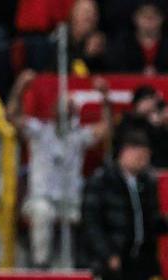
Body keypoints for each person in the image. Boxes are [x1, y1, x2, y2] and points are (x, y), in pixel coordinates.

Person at [6, 69, 110, 268]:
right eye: (63, 106)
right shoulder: (39, 132)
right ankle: (40, 263)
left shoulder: (79, 137)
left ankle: (80, 265)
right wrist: (20, 89)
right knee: (43, 212)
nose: (66, 111)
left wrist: (104, 98)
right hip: (41, 198)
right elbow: (11, 116)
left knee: (89, 216)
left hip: (70, 200)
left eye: (70, 107)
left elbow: (105, 129)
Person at [81, 131, 168, 280]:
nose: (144, 162)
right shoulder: (102, 180)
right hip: (112, 262)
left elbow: (150, 220)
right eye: (140, 156)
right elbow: (91, 223)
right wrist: (107, 254)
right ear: (125, 152)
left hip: (140, 262)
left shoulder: (146, 181)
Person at [105, 1, 168, 74]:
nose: (149, 21)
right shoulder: (122, 45)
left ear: (162, 19)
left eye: (154, 16)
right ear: (135, 18)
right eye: (144, 16)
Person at [114, 85, 168, 168]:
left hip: (156, 166)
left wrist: (161, 126)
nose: (150, 103)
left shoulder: (157, 123)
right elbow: (125, 140)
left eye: (152, 100)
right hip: (129, 165)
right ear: (137, 102)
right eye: (146, 99)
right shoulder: (126, 120)